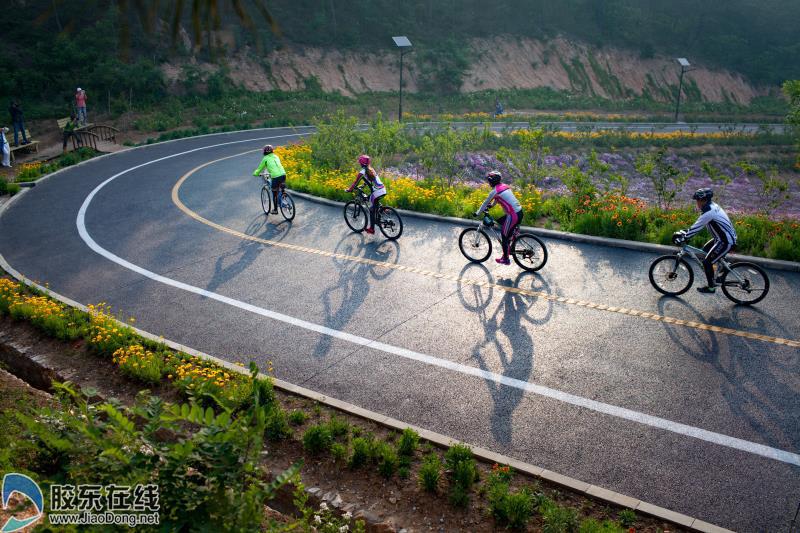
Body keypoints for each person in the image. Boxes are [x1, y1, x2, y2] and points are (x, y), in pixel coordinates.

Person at [673, 188, 737, 294]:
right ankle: (724, 268)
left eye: (698, 200)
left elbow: (697, 227)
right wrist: (686, 232)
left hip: (725, 241)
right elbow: (697, 225)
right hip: (722, 238)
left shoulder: (709, 212)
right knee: (705, 251)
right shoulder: (712, 206)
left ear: (704, 200)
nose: (697, 202)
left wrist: (684, 237)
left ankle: (711, 287)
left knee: (707, 262)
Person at [474, 171, 523, 265]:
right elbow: (498, 198)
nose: (488, 183)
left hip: (513, 215)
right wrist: (492, 205)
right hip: (519, 212)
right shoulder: (505, 186)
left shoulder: (494, 191)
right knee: (500, 222)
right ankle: (514, 233)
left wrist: (477, 213)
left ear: (491, 181)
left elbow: (485, 203)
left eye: (488, 181)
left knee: (504, 235)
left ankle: (505, 259)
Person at [345, 154, 386, 235]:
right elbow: (372, 180)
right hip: (383, 190)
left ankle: (371, 229)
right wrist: (364, 185)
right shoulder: (371, 169)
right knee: (373, 200)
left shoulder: (362, 172)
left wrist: (350, 189)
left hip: (376, 192)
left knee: (371, 208)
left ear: (361, 163)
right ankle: (382, 209)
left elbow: (355, 182)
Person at [252, 144, 286, 214]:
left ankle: (275, 210)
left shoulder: (265, 159)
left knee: (274, 193)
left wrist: (255, 173)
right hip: (283, 174)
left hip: (276, 176)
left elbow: (259, 168)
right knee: (281, 188)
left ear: (264, 152)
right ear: (272, 150)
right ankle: (283, 198)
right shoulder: (276, 156)